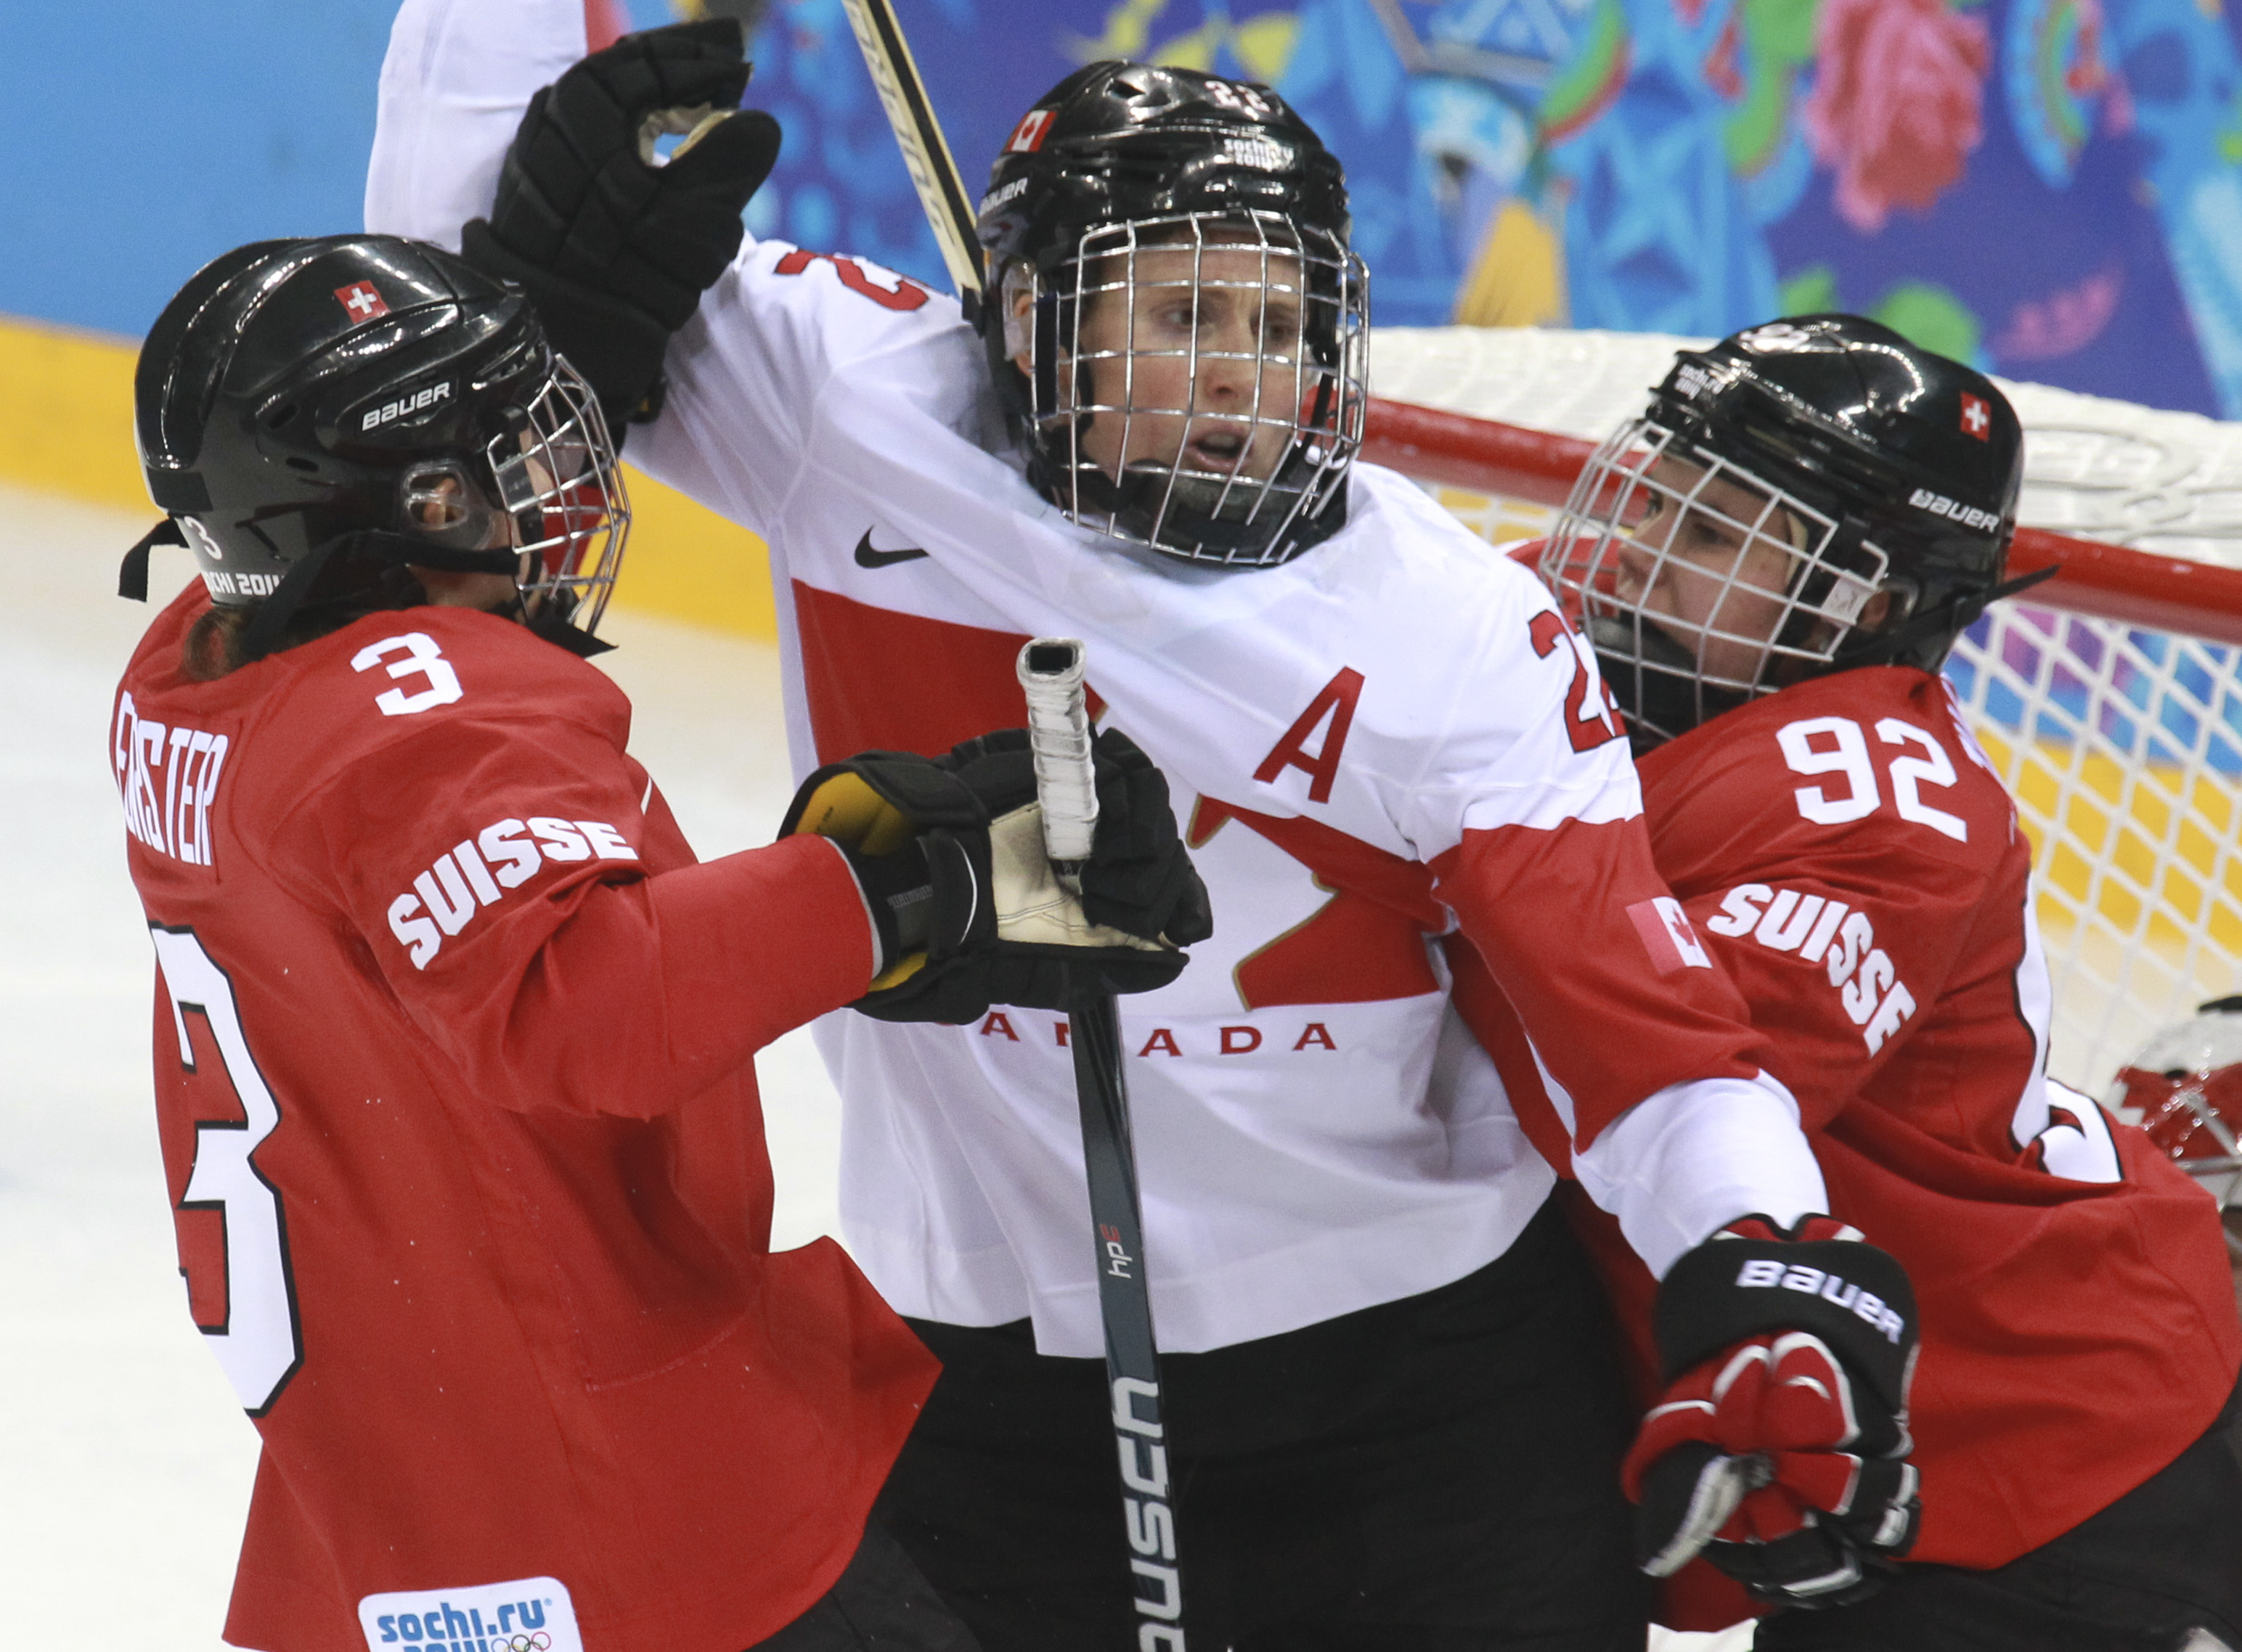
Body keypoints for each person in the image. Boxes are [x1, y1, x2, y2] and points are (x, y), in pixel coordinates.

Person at [366, 12, 1928, 1645]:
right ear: (1029, 322)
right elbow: (450, 292)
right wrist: (529, 197)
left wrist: (1763, 1256)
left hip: (1429, 1381)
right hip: (985, 1382)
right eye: (1181, 315)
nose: (1240, 379)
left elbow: (1647, 1039)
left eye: (1279, 323)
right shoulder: (860, 420)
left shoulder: (1454, 634)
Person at [113, 232, 1206, 1652]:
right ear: (418, 504)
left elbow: (446, 946)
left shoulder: (193, 675)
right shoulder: (423, 702)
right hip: (621, 1531)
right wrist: (908, 895)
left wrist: (825, 902)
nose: (555, 490)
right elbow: (590, 1005)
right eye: (502, 461)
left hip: (388, 1522)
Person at [1487, 314, 2242, 1648]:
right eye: (1654, 499)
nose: (1631, 552)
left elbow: (1642, 1068)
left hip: (2039, 1437)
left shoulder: (1886, 801)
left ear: (1869, 604)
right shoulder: (1601, 658)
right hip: (1879, 1419)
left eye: (1712, 537)